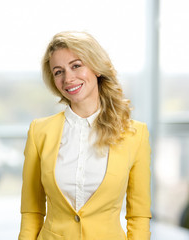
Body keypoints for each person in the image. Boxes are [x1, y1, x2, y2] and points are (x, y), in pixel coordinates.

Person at [19, 31, 151, 240]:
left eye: (76, 65)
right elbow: (31, 212)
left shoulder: (135, 135)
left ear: (96, 68)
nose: (68, 78)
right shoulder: (39, 132)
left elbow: (139, 215)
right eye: (58, 71)